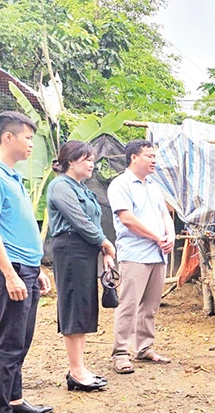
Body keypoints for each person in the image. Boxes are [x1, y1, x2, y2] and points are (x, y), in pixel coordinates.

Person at [0, 111, 53, 413]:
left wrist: (37, 269)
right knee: (8, 341)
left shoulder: (11, 175)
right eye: (28, 137)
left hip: (27, 267)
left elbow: (15, 226)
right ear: (9, 137)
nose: (32, 143)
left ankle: (15, 399)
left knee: (22, 338)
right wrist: (11, 274)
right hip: (11, 269)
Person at [47, 140, 116, 392]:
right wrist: (105, 243)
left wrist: (103, 251)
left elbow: (93, 224)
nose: (92, 164)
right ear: (72, 160)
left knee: (84, 307)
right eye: (87, 159)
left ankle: (80, 367)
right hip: (70, 249)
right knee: (74, 307)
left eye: (93, 160)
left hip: (85, 250)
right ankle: (76, 371)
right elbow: (79, 220)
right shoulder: (60, 187)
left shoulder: (82, 188)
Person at [107, 139, 175, 374]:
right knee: (129, 304)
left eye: (154, 156)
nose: (154, 160)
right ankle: (121, 353)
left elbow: (165, 214)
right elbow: (127, 219)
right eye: (149, 156)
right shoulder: (121, 184)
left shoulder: (153, 186)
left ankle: (144, 347)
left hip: (158, 254)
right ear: (134, 158)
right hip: (135, 254)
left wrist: (171, 235)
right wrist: (158, 236)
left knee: (151, 306)